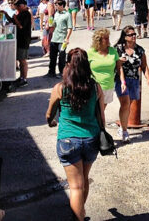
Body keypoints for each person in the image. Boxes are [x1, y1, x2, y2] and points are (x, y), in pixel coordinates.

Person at [46, 48, 103, 221]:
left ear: (68, 65)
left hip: (68, 140)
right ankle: (80, 213)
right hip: (91, 138)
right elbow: (101, 117)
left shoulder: (60, 88)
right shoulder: (95, 87)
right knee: (83, 181)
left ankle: (78, 217)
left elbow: (49, 114)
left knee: (75, 187)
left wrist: (51, 122)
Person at [114, 26, 149, 142]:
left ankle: (122, 126)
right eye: (131, 35)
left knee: (128, 105)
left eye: (134, 34)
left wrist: (148, 79)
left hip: (134, 80)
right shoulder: (118, 48)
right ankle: (124, 131)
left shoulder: (140, 50)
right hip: (121, 80)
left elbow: (144, 66)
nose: (134, 36)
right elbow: (114, 64)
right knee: (125, 103)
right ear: (125, 37)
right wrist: (119, 61)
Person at [88, 28, 125, 110]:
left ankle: (100, 123)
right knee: (93, 111)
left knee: (101, 111)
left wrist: (123, 82)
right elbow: (84, 69)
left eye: (108, 37)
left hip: (108, 86)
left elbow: (119, 68)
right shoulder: (90, 52)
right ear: (99, 40)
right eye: (106, 38)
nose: (108, 40)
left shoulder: (112, 51)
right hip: (94, 87)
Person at [1, 0, 32, 87]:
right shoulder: (20, 13)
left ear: (23, 5)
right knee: (20, 59)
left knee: (22, 60)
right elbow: (12, 21)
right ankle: (21, 77)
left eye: (18, 5)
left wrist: (14, 17)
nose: (17, 7)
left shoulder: (26, 14)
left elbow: (20, 25)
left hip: (24, 39)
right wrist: (6, 14)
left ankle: (24, 78)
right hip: (19, 39)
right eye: (16, 5)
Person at [46, 0, 72, 78]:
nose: (56, 7)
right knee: (52, 56)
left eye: (57, 5)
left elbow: (69, 28)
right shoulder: (56, 14)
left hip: (62, 39)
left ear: (61, 5)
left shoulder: (67, 15)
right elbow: (53, 24)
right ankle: (51, 72)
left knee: (62, 56)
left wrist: (67, 38)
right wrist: (50, 22)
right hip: (54, 38)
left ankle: (62, 72)